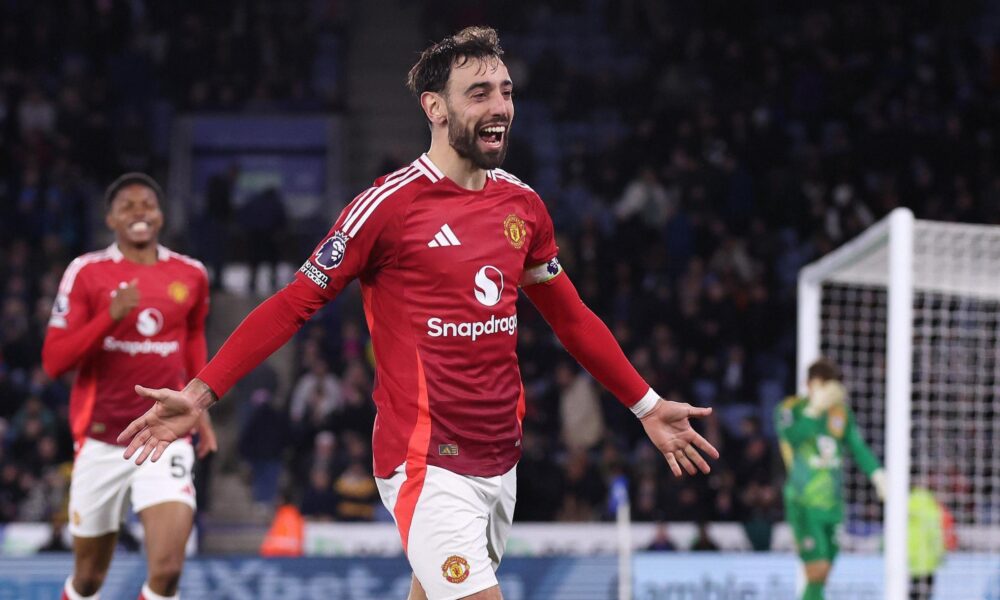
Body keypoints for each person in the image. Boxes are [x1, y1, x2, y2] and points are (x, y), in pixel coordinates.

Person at [118, 27, 719, 600]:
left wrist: (646, 404)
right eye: (479, 93)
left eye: (506, 91)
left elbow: (571, 318)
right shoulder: (386, 208)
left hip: (500, 459)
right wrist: (200, 393)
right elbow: (292, 304)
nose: (500, 107)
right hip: (426, 463)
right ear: (435, 107)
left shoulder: (523, 205)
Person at [42, 173, 217, 600]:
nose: (140, 213)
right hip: (101, 440)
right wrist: (110, 316)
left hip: (164, 434)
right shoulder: (86, 272)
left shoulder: (191, 273)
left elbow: (193, 338)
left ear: (161, 215)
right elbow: (54, 361)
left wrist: (200, 409)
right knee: (88, 579)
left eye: (148, 205)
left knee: (168, 570)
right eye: (128, 206)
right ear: (111, 220)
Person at [776, 358, 886, 600]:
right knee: (817, 569)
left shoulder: (840, 413)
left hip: (834, 504)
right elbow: (790, 437)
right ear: (809, 384)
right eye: (824, 385)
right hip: (803, 501)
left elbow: (857, 447)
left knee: (823, 573)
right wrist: (813, 411)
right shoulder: (790, 409)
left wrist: (877, 474)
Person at [908, 486, 946, 600]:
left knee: (911, 594)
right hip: (928, 562)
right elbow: (935, 534)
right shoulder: (930, 507)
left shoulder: (906, 504)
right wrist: (940, 554)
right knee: (925, 595)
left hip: (910, 562)